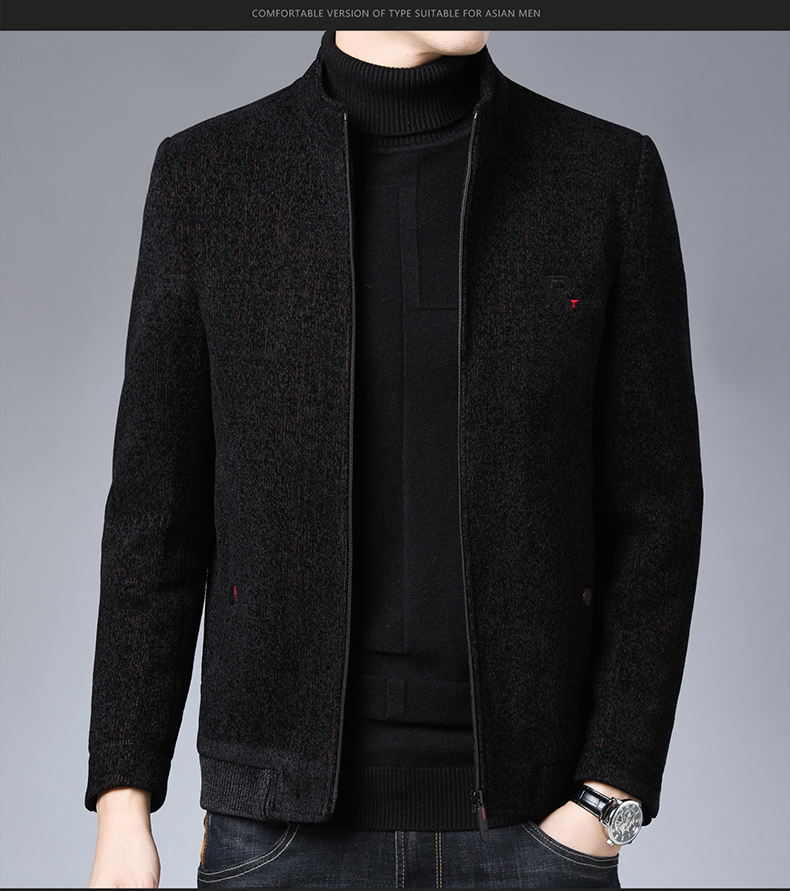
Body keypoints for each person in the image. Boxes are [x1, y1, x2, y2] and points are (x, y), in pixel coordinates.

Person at [86, 29, 703, 889]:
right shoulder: (208, 178)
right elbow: (156, 517)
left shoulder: (605, 176)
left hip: (535, 836)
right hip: (279, 838)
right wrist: (124, 801)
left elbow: (657, 512)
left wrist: (612, 798)